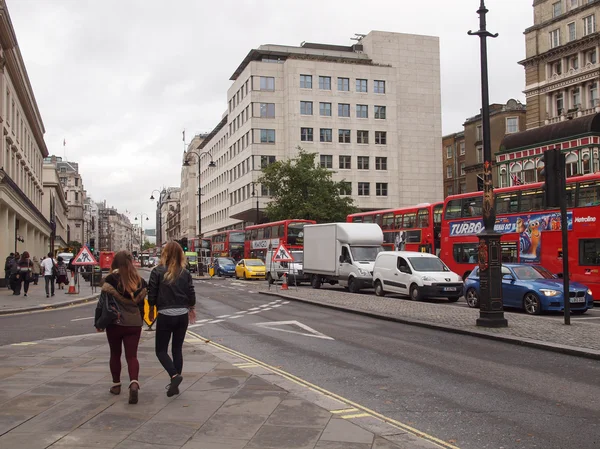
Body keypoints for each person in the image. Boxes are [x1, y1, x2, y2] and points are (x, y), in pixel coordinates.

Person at [94, 251, 147, 404]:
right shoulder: (140, 281)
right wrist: (140, 320)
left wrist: (99, 323)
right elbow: (142, 306)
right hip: (134, 323)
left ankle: (116, 385)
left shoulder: (110, 280)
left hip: (115, 323)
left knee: (115, 354)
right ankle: (134, 383)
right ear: (130, 262)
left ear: (115, 263)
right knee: (132, 356)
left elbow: (101, 304)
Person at [148, 240, 196, 397]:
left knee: (161, 350)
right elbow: (191, 294)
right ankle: (175, 385)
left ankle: (174, 376)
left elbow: (152, 295)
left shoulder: (157, 271)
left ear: (165, 253)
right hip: (182, 315)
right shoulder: (185, 273)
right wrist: (191, 308)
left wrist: (151, 310)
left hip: (165, 315)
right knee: (177, 349)